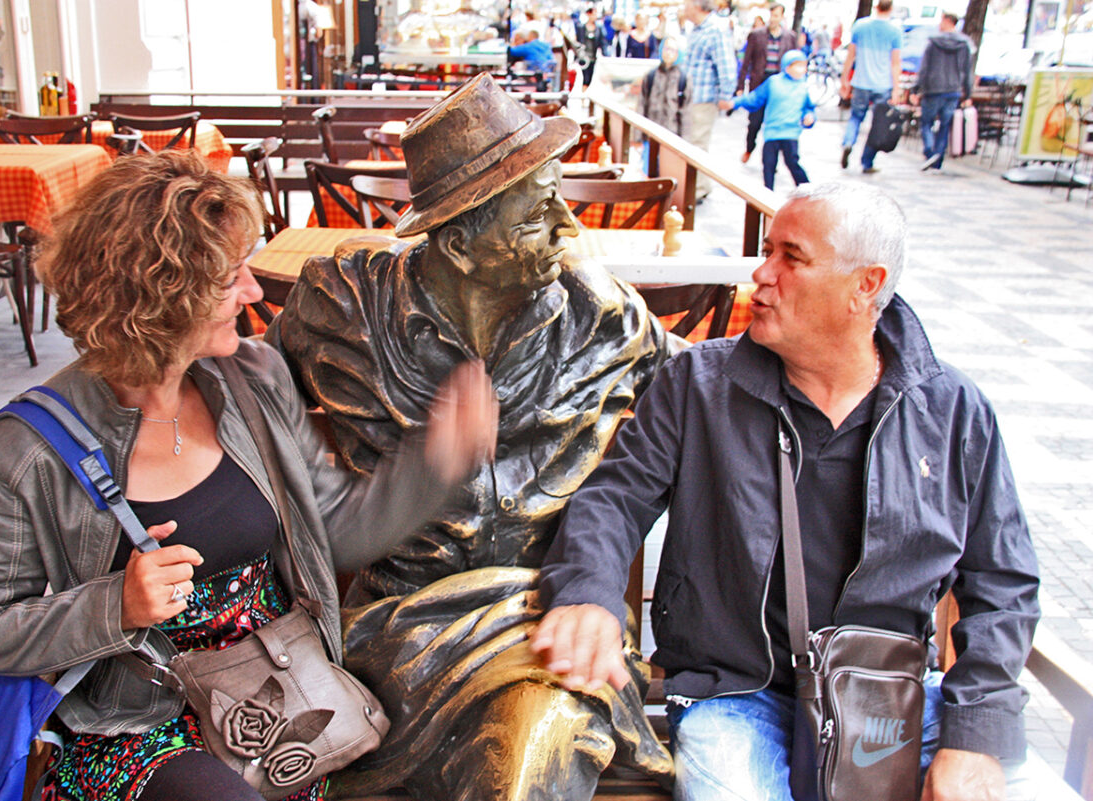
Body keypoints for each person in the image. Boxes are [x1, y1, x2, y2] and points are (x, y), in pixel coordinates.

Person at [0, 152, 499, 801]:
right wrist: (114, 606)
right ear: (163, 297)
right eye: (232, 277)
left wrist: (436, 460)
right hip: (137, 724)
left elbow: (337, 530)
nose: (254, 292)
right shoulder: (30, 448)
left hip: (285, 692)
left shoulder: (252, 379)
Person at [531, 181, 1041, 801]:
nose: (761, 273)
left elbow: (1003, 584)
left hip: (888, 700)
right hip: (735, 693)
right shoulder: (699, 384)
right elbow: (613, 499)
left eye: (790, 257)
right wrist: (588, 594)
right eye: (767, 250)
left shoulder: (951, 411)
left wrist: (975, 736)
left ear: (866, 285)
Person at [264, 73, 677, 801]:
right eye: (539, 214)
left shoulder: (603, 320)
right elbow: (237, 395)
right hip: (395, 639)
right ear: (458, 245)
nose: (570, 230)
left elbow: (706, 399)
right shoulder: (344, 307)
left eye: (561, 199)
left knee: (536, 736)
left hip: (552, 624)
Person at [732, 50, 815, 189]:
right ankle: (768, 194)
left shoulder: (803, 87)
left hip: (790, 132)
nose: (802, 69)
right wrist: (735, 102)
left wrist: (809, 117)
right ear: (787, 66)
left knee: (792, 162)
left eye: (804, 66)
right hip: (772, 132)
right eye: (798, 65)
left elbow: (808, 108)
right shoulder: (774, 82)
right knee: (768, 165)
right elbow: (755, 98)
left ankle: (807, 190)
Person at [680, 0, 737, 201]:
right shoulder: (696, 29)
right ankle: (698, 185)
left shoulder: (716, 30)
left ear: (697, 5)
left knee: (698, 142)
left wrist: (725, 96)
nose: (684, 7)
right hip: (691, 97)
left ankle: (698, 189)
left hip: (703, 98)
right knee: (692, 142)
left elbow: (727, 66)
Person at [840, 0, 904, 173]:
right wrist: (896, 88)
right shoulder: (895, 30)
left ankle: (848, 142)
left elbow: (850, 56)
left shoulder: (860, 26)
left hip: (861, 81)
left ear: (876, 6)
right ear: (890, 8)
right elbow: (895, 63)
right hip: (882, 84)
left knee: (855, 117)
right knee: (878, 124)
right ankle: (867, 161)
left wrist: (844, 79)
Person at [911, 12, 974, 171]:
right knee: (944, 126)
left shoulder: (933, 43)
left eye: (941, 20)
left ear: (947, 21)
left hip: (933, 88)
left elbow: (924, 68)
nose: (939, 24)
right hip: (953, 89)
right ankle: (937, 158)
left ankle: (929, 151)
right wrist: (968, 93)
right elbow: (967, 71)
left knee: (927, 122)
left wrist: (916, 89)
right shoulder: (964, 44)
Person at [736, 2, 797, 163]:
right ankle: (749, 148)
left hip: (779, 86)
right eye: (771, 15)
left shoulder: (789, 37)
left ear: (782, 17)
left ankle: (771, 161)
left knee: (774, 124)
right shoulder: (756, 35)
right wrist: (740, 86)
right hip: (760, 83)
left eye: (776, 15)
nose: (773, 19)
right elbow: (746, 62)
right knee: (754, 122)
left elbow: (794, 62)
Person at [641, 36, 692, 168]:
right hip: (650, 134)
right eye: (666, 48)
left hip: (672, 136)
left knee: (667, 170)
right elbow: (642, 105)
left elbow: (685, 113)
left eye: (673, 50)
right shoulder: (651, 76)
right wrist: (638, 136)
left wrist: (684, 142)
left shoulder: (683, 79)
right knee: (648, 169)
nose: (668, 53)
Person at [576, 6, 607, 87]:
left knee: (590, 80)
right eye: (593, 14)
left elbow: (603, 43)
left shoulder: (599, 29)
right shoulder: (581, 27)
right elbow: (577, 42)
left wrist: (606, 56)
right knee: (583, 79)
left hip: (593, 58)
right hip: (582, 58)